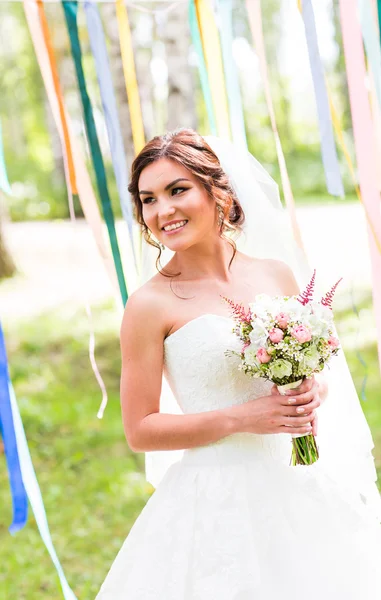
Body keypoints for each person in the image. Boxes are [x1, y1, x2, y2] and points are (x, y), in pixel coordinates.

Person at [96, 129, 381, 599]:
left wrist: (310, 392)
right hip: (216, 495)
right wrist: (241, 418)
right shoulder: (148, 305)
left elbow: (312, 374)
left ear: (218, 191)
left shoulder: (275, 273)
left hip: (297, 482)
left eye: (177, 190)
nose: (162, 211)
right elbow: (140, 429)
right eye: (148, 199)